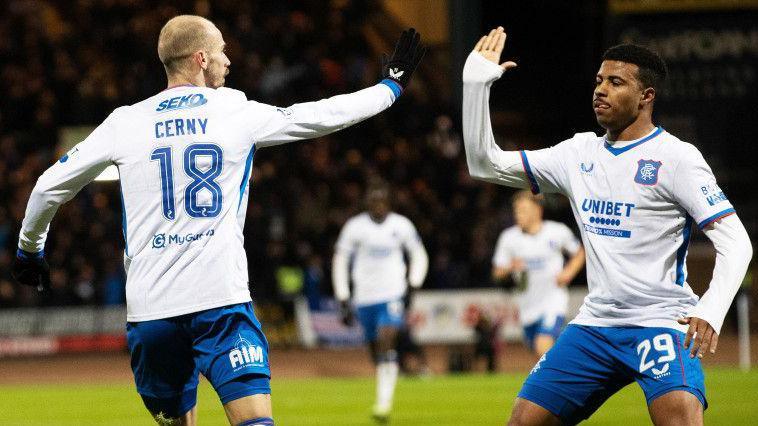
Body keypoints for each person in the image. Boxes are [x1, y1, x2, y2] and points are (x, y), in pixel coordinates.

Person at [11, 15, 425, 426]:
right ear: (201, 58)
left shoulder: (125, 121)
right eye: (223, 51)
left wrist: (30, 250)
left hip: (151, 312)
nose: (229, 60)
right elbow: (318, 115)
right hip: (221, 302)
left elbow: (49, 187)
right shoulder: (232, 109)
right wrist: (389, 88)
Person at [462, 27, 752, 426]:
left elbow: (737, 242)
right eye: (599, 80)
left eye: (616, 83)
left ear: (646, 96)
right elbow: (484, 163)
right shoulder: (576, 153)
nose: (601, 90)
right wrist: (475, 85)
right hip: (596, 325)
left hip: (661, 322)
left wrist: (712, 309)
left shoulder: (677, 159)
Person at [332, 181, 429, 422]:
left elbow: (419, 255)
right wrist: (343, 296)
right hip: (364, 297)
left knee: (387, 340)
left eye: (382, 201)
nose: (378, 205)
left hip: (392, 294)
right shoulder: (355, 227)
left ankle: (383, 404)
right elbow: (340, 260)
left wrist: (413, 284)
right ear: (368, 203)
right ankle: (389, 380)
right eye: (374, 201)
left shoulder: (401, 225)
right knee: (376, 351)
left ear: (389, 202)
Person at [492, 190, 585, 357]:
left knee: (543, 344)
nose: (518, 215)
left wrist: (568, 272)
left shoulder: (557, 232)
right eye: (516, 211)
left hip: (553, 301)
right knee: (539, 351)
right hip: (527, 306)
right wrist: (509, 267)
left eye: (523, 210)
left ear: (537, 210)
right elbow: (497, 273)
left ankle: (559, 379)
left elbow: (579, 252)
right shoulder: (509, 238)